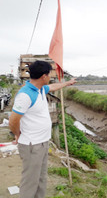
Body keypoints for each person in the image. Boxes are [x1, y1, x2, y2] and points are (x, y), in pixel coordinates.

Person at [9, 60, 76, 198]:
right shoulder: (25, 95)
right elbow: (13, 120)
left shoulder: (40, 89)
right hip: (32, 145)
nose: (50, 77)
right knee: (30, 181)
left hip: (43, 142)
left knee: (41, 178)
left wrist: (67, 83)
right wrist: (17, 135)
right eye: (49, 75)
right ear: (44, 76)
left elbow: (53, 87)